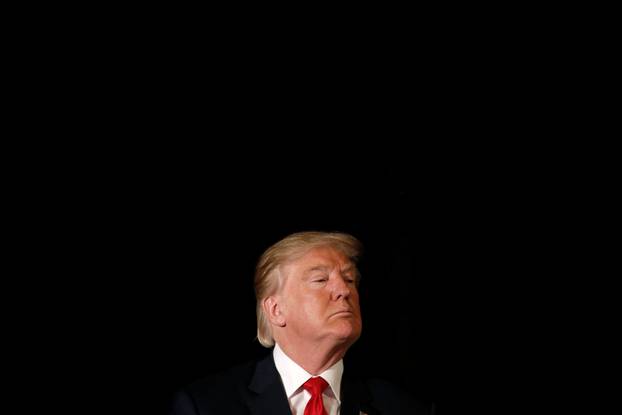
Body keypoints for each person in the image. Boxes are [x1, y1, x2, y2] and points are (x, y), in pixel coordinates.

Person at [169, 231, 434, 414]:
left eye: (350, 280)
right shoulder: (206, 405)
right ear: (275, 310)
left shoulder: (400, 407)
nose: (344, 290)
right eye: (320, 280)